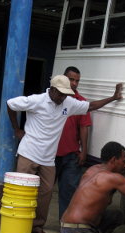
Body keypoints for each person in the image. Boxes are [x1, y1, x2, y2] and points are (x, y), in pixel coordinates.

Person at [7, 75, 123, 233]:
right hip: (29, 154)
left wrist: (113, 97)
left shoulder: (68, 103)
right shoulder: (36, 100)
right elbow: (10, 104)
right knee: (23, 193)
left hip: (48, 158)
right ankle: (19, 226)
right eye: (61, 94)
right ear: (52, 90)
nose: (63, 97)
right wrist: (17, 129)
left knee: (45, 194)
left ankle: (36, 227)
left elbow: (91, 106)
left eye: (66, 94)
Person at [55, 66, 91, 220]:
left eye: (77, 81)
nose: (75, 83)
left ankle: (65, 225)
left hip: (71, 155)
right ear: (64, 78)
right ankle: (35, 225)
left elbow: (84, 127)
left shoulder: (80, 102)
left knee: (69, 191)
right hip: (49, 154)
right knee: (43, 190)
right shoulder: (52, 98)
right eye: (71, 79)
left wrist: (83, 151)